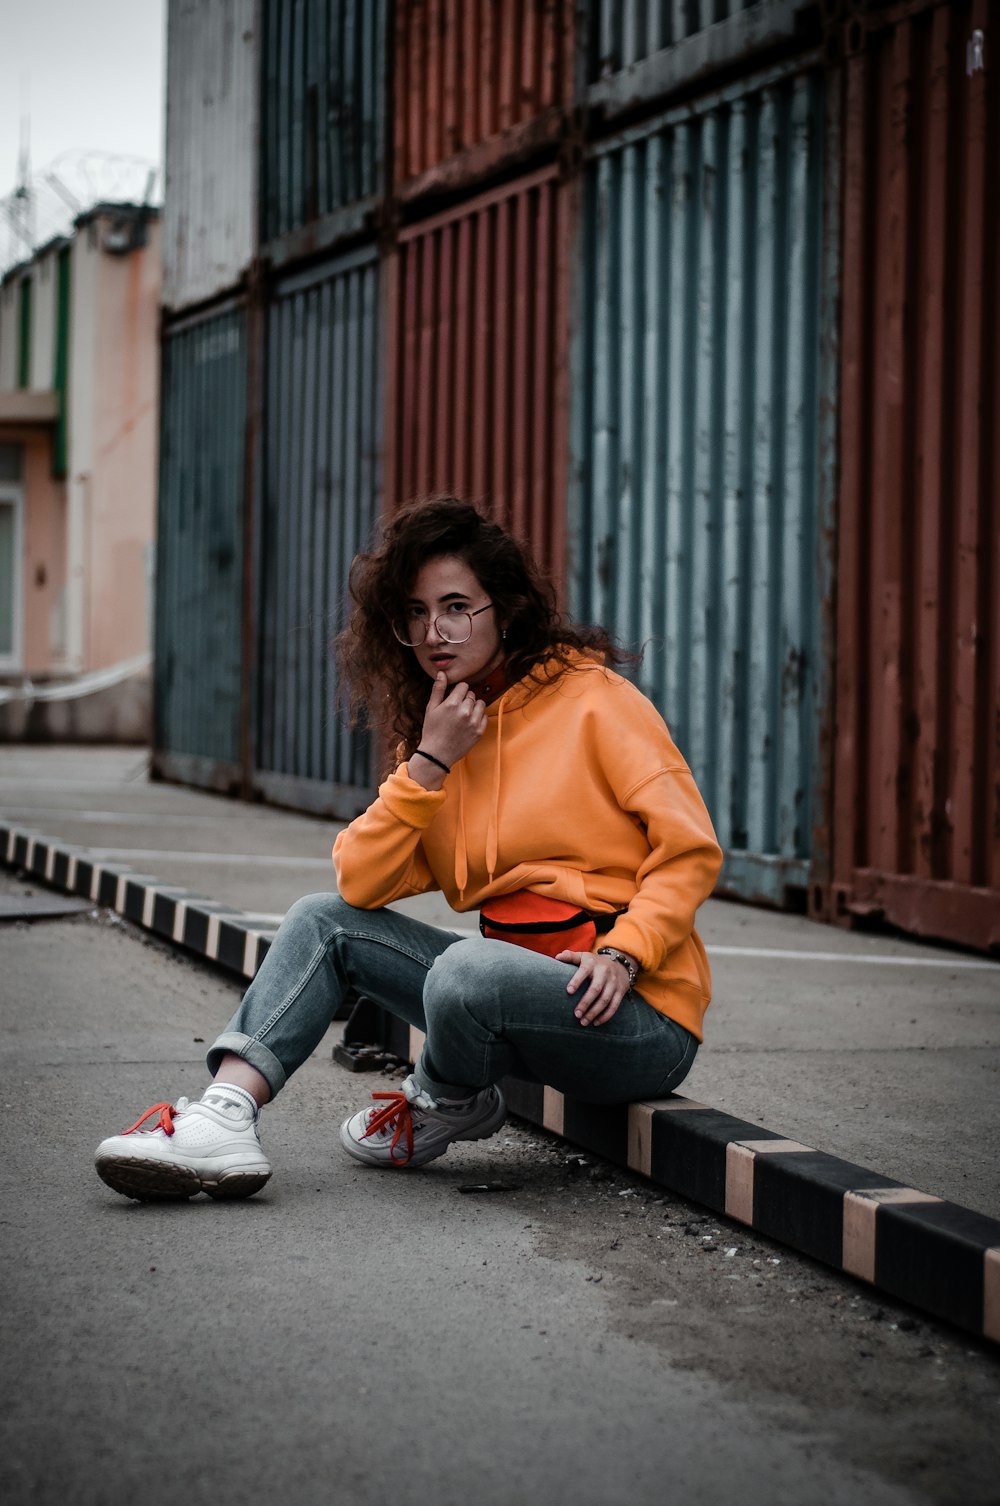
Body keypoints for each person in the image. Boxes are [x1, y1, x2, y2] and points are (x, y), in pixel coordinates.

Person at [94, 497, 723, 1200]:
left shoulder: (597, 701)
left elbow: (690, 849)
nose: (435, 631)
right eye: (417, 614)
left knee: (467, 969)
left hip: (634, 1018)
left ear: (505, 611)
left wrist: (625, 950)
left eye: (457, 606)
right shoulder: (443, 737)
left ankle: (445, 1094)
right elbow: (360, 882)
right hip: (505, 1000)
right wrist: (427, 763)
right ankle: (224, 1116)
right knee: (321, 919)